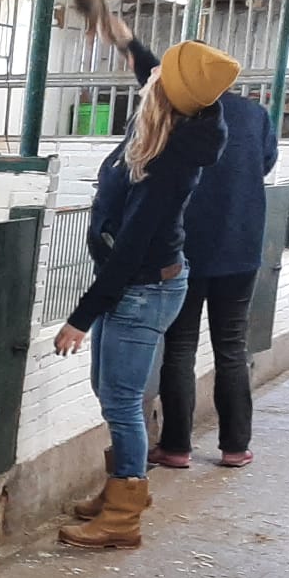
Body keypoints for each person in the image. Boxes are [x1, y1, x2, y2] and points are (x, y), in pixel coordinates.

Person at [53, 38, 239, 549]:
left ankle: (123, 515)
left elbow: (132, 249)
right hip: (136, 284)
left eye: (161, 74)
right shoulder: (171, 121)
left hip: (142, 288)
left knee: (121, 400)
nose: (151, 74)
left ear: (166, 93)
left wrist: (81, 317)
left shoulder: (168, 162)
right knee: (108, 390)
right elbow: (157, 73)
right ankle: (121, 485)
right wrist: (123, 38)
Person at [97, 11, 275, 471]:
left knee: (180, 347)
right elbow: (266, 164)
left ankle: (177, 446)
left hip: (186, 251)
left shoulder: (176, 115)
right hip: (241, 249)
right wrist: (129, 42)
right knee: (232, 347)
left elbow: (155, 81)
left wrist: (128, 41)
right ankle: (235, 445)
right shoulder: (254, 115)